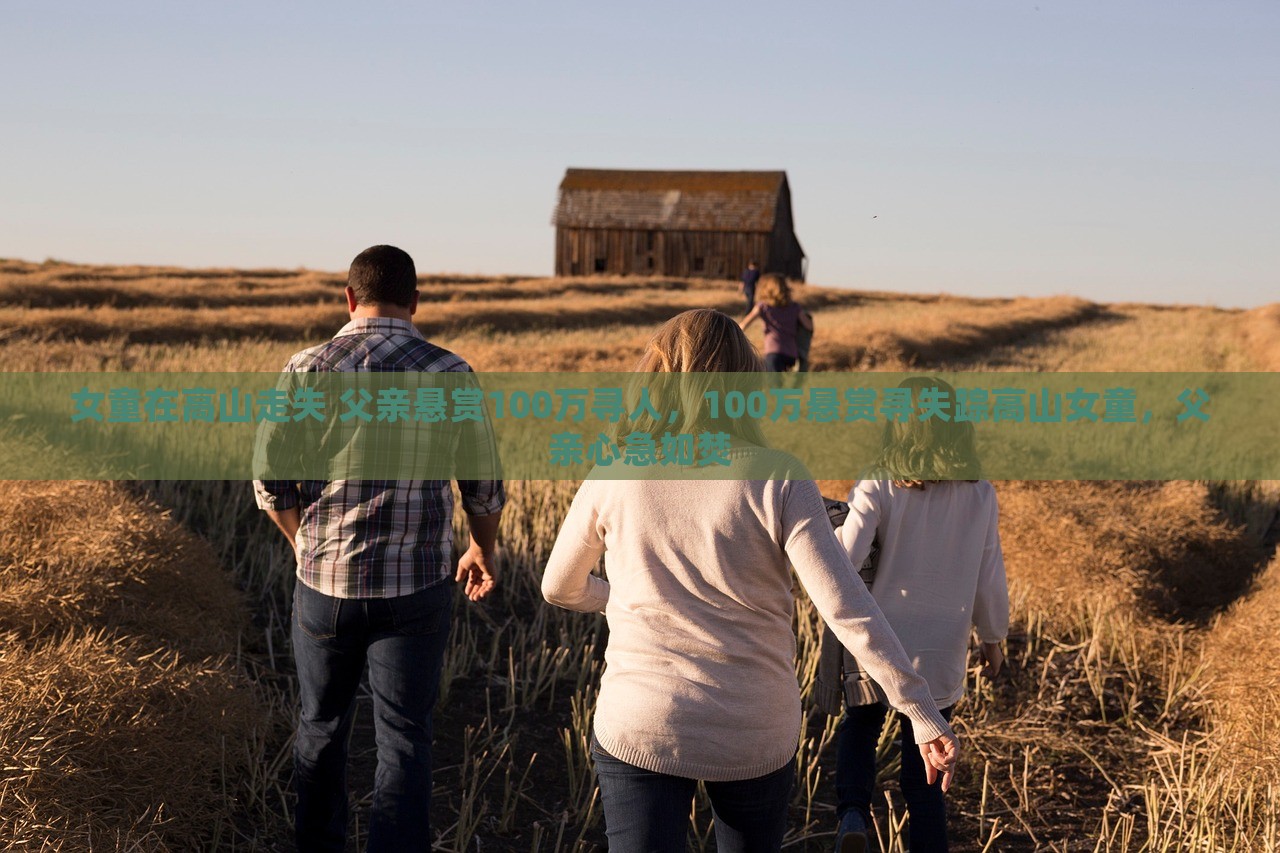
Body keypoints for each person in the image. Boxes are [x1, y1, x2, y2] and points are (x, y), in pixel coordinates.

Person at [541, 310, 958, 853]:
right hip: (753, 729)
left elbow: (559, 586)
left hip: (642, 722)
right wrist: (920, 712)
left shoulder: (616, 469)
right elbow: (844, 606)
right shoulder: (779, 475)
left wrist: (622, 599)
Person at [252, 244, 505, 852]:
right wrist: (481, 549)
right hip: (416, 591)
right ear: (415, 302)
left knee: (320, 728)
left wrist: (301, 544)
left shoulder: (307, 368)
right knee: (405, 737)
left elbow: (269, 480)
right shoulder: (450, 373)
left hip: (325, 586)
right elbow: (484, 488)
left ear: (348, 298)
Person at [824, 376, 1009, 853]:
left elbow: (844, 559)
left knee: (861, 726)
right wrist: (993, 637)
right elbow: (990, 572)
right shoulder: (980, 493)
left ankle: (851, 816)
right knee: (925, 779)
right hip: (942, 647)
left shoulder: (880, 481)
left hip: (880, 641)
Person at [740, 273, 813, 372]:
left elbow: (743, 325)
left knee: (774, 386)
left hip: (773, 353)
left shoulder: (763, 307)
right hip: (791, 355)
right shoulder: (795, 307)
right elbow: (809, 326)